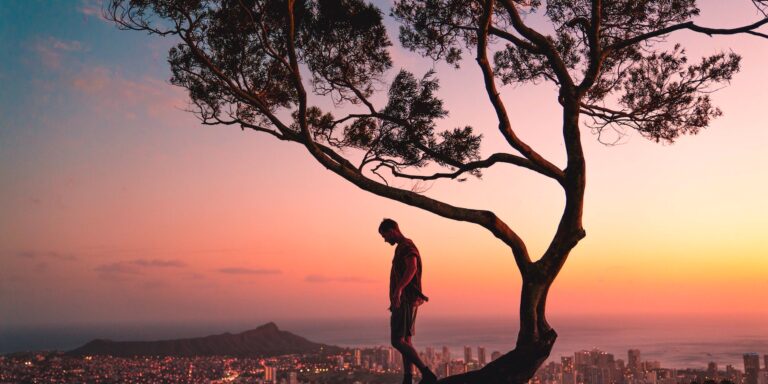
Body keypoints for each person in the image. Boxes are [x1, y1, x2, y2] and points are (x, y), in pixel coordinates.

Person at [379, 218, 437, 384]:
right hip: (407, 299)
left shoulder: (406, 246)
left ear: (392, 231)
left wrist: (398, 290)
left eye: (385, 236)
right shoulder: (402, 247)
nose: (385, 240)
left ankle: (426, 373)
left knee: (397, 341)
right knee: (406, 341)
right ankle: (408, 378)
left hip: (405, 300)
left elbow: (412, 267)